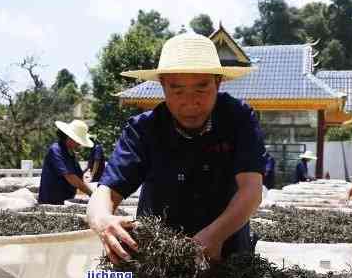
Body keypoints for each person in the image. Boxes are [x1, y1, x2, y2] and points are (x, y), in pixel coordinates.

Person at [87, 33, 265, 264]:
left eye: (201, 89)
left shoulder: (239, 120)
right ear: (162, 85)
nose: (190, 102)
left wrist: (213, 237)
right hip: (158, 258)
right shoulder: (143, 130)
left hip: (226, 252)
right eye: (177, 90)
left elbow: (251, 191)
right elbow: (105, 193)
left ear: (218, 82)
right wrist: (102, 219)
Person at [38, 120, 94, 205]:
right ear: (69, 137)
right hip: (50, 202)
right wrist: (91, 193)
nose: (79, 144)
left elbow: (79, 177)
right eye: (78, 141)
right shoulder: (56, 150)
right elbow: (71, 177)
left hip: (66, 200)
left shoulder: (71, 153)